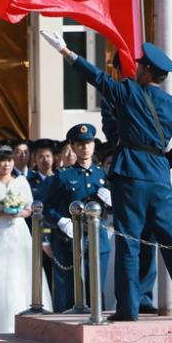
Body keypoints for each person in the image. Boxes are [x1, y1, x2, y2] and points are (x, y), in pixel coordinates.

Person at [42, 32, 172, 321]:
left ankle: (128, 309)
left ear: (147, 71)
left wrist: (66, 51)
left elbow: (97, 78)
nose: (137, 68)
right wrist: (164, 162)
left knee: (129, 243)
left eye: (140, 65)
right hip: (159, 179)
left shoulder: (129, 91)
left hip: (129, 175)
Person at [0, 145, 51, 332]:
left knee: (21, 270)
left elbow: (29, 208)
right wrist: (3, 213)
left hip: (18, 231)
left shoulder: (21, 182)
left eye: (9, 160)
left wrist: (18, 213)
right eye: (2, 161)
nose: (6, 164)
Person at [42, 124, 111, 311]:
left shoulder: (102, 175)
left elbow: (115, 210)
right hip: (70, 241)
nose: (85, 147)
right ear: (72, 146)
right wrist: (60, 221)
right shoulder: (64, 176)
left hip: (98, 239)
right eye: (80, 144)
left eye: (88, 143)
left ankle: (97, 323)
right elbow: (46, 207)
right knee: (70, 293)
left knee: (96, 291)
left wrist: (113, 202)